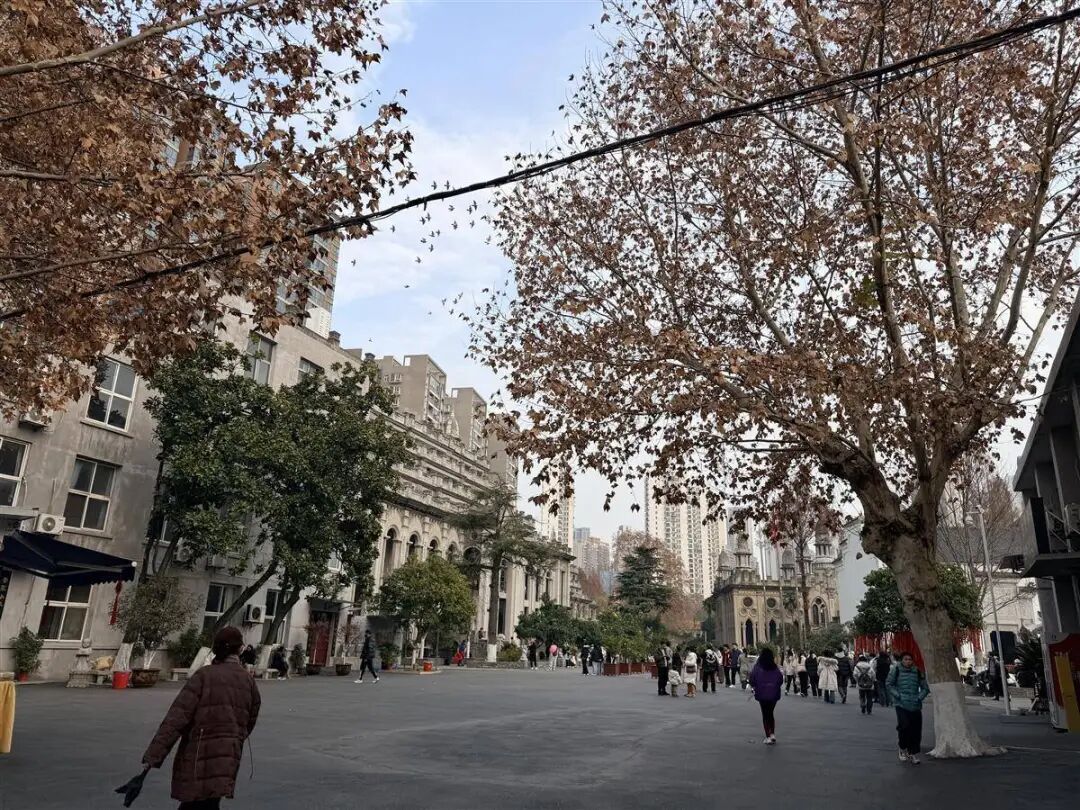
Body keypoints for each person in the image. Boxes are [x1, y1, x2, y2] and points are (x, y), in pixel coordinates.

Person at [139, 626, 261, 809]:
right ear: (240, 649)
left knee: (194, 804)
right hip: (228, 755)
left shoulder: (204, 676)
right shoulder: (247, 680)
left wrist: (153, 757)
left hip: (198, 755)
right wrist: (235, 737)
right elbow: (251, 717)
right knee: (210, 802)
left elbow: (176, 719)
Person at [887, 651, 930, 764]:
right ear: (901, 660)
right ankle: (902, 748)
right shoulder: (896, 669)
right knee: (904, 726)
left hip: (915, 704)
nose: (908, 661)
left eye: (910, 659)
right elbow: (889, 684)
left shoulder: (917, 671)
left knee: (916, 730)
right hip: (901, 704)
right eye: (905, 659)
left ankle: (913, 753)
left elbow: (925, 688)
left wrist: (919, 697)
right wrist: (898, 696)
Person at [749, 646, 784, 745]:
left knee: (765, 714)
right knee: (770, 713)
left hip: (762, 694)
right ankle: (772, 734)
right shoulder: (775, 667)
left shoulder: (758, 667)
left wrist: (755, 686)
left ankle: (768, 736)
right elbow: (780, 680)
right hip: (773, 694)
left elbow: (752, 679)